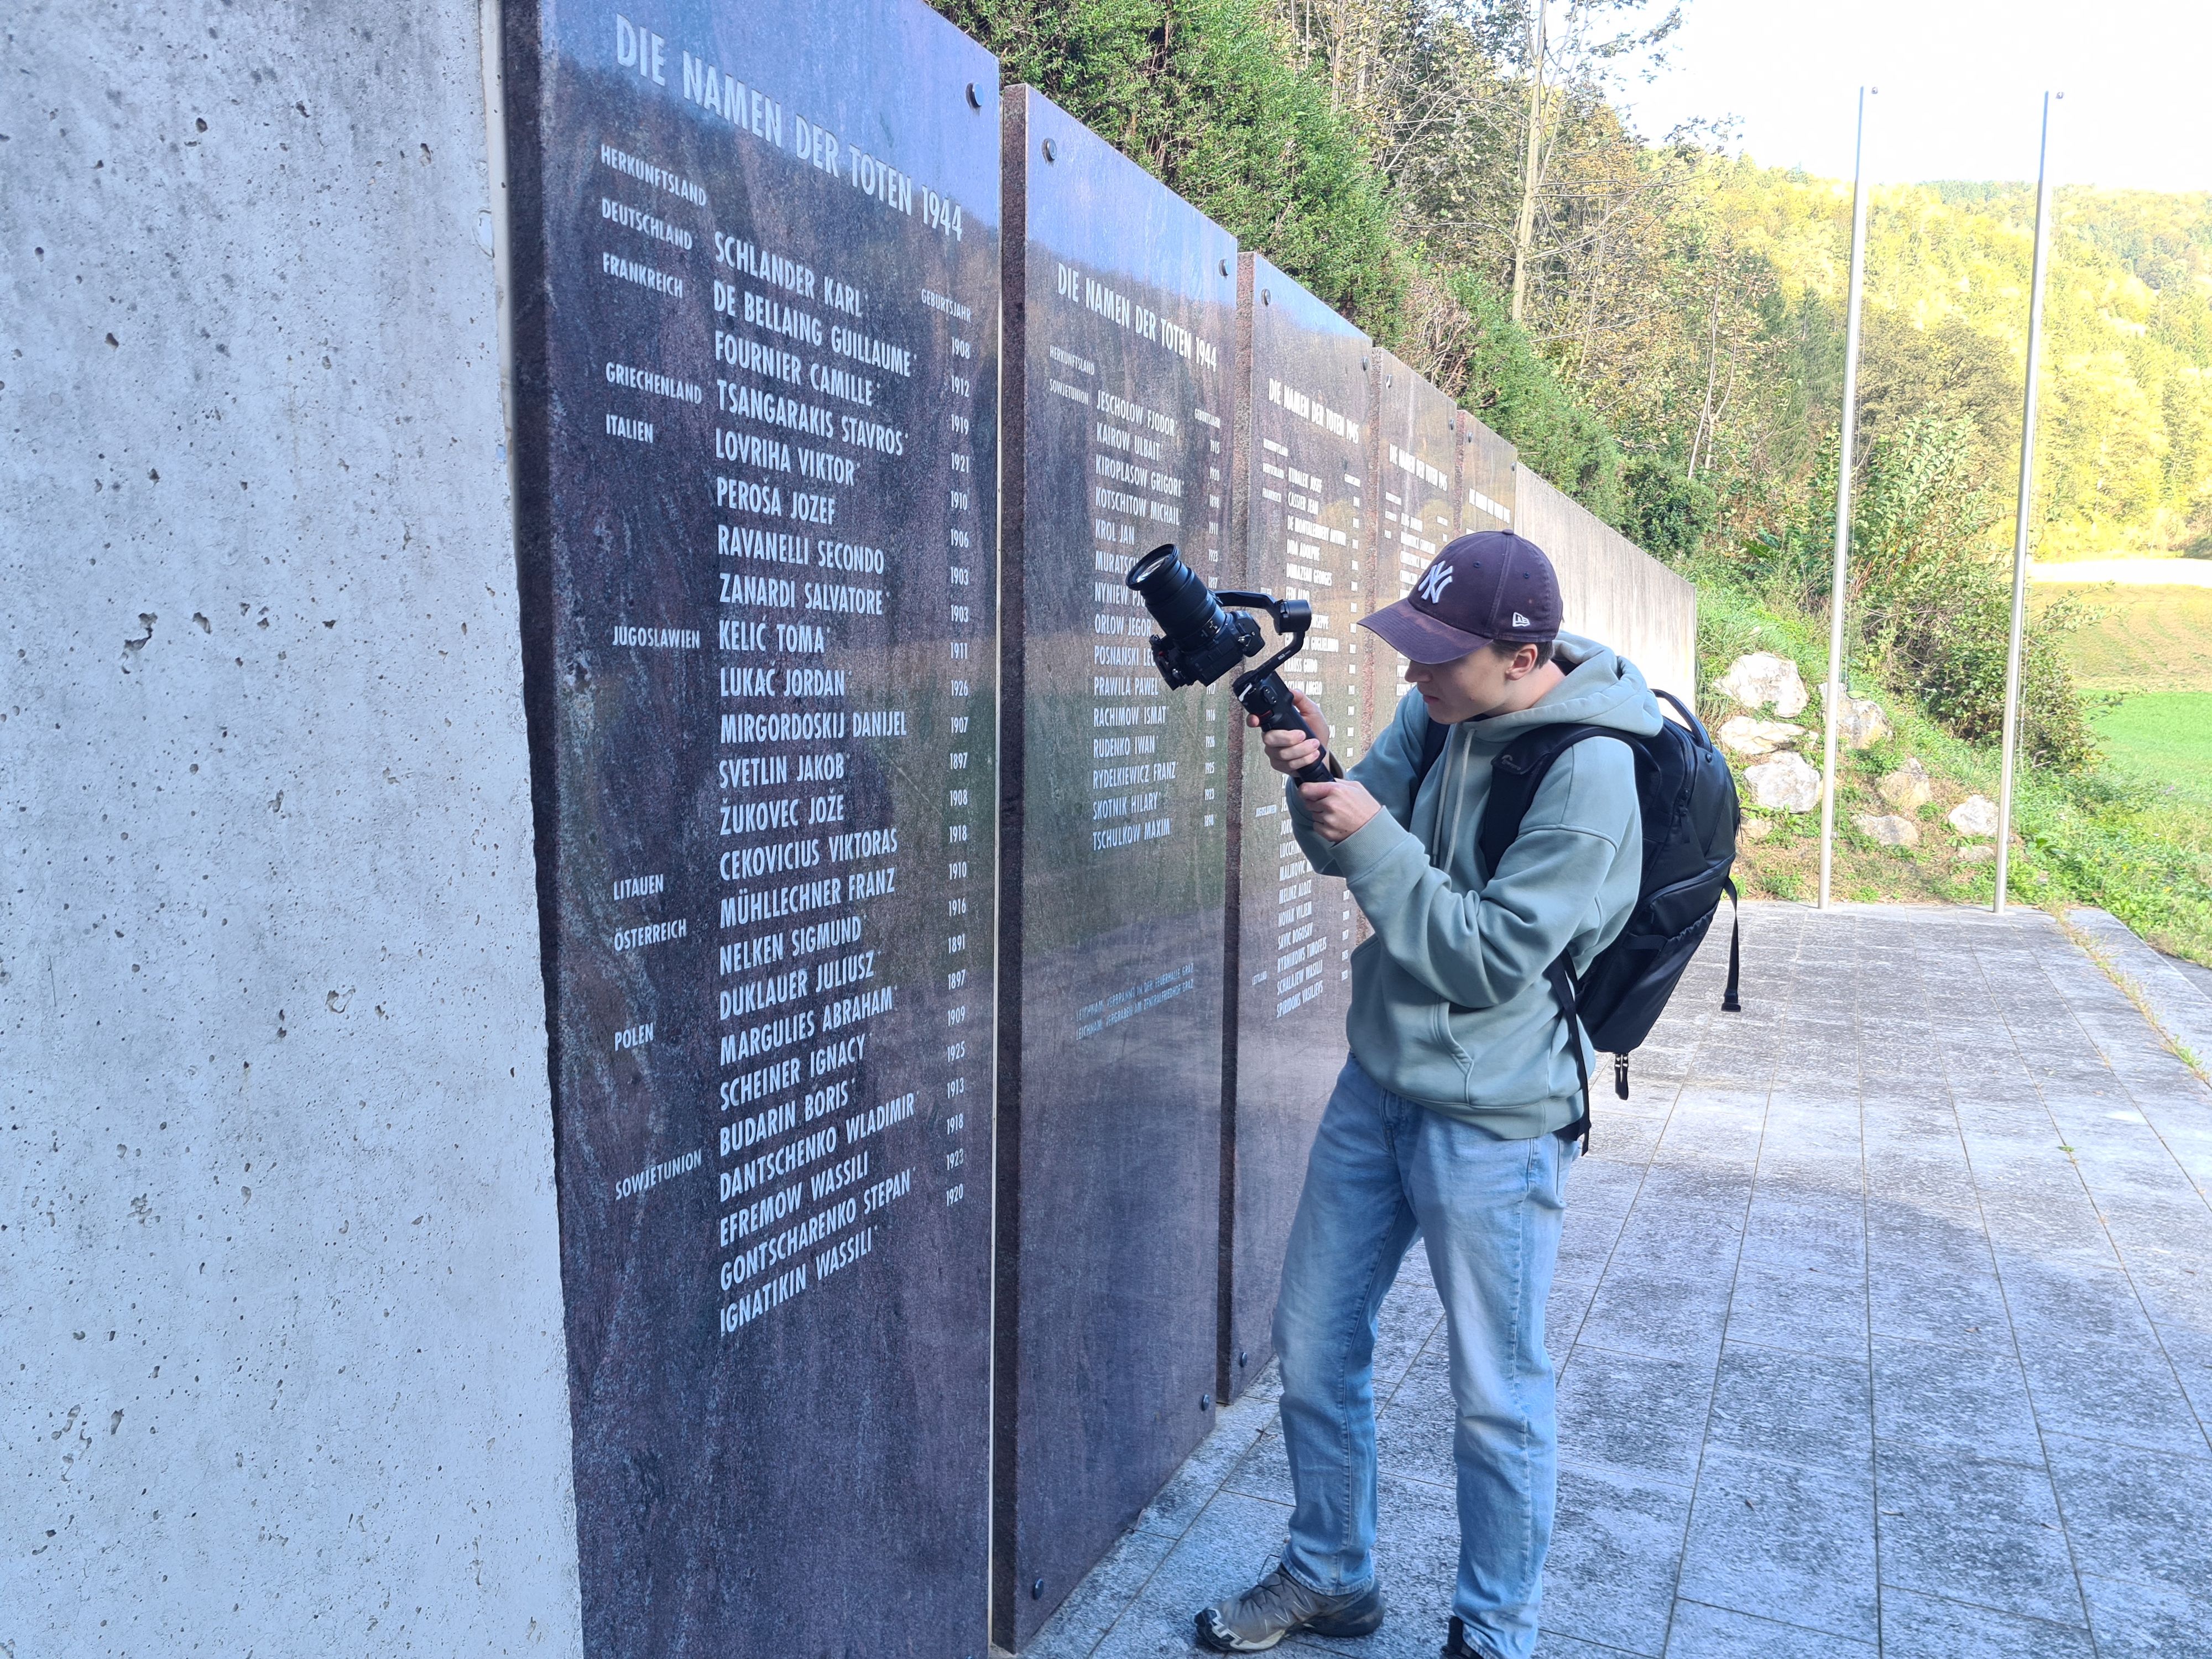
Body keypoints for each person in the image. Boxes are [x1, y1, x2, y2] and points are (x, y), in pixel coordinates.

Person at [1194, 531, 1663, 1659]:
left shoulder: (1588, 773)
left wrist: (1372, 840)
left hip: (1495, 1121)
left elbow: (1484, 959)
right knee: (1310, 1342)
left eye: (1437, 658)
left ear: (1521, 654)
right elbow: (1343, 846)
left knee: (1495, 1395)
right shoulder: (1439, 713)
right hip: (1380, 1084)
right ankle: (1330, 1577)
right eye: (1412, 651)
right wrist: (1315, 778)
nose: (1412, 677)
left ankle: (1495, 1633)